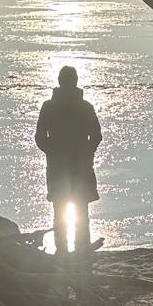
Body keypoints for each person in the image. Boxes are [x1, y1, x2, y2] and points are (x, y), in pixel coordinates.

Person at [35, 66, 101, 257]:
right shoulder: (83, 107)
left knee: (63, 210)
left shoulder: (51, 107)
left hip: (65, 166)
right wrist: (86, 152)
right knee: (77, 209)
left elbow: (40, 137)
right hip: (73, 166)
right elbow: (96, 136)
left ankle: (66, 250)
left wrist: (52, 151)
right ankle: (75, 249)